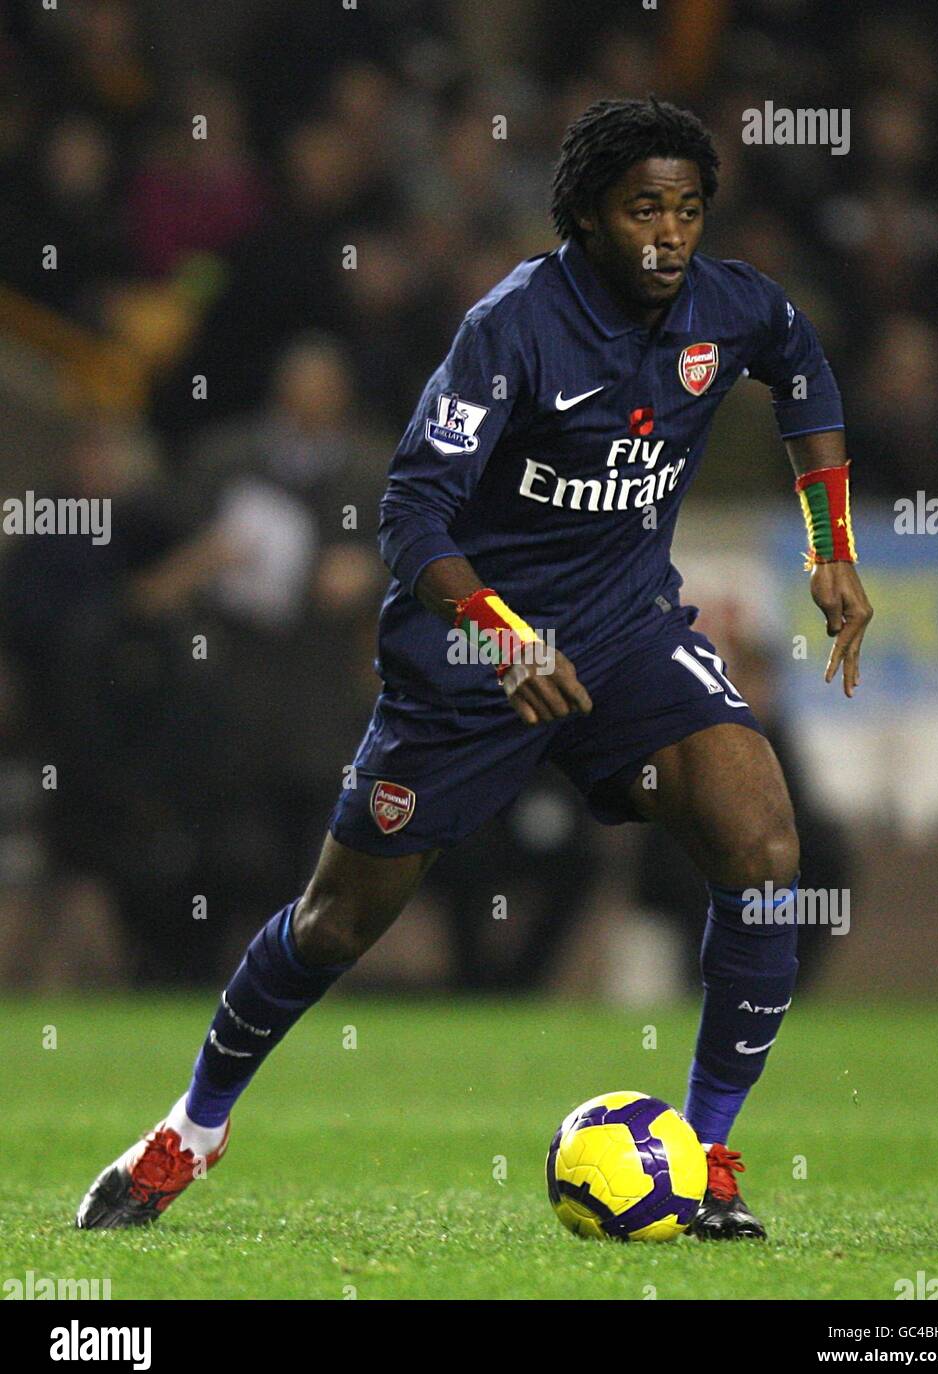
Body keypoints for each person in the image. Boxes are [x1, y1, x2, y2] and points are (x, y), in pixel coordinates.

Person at [77, 97, 873, 1240]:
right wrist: (502, 633)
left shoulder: (729, 308)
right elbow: (411, 510)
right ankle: (191, 1126)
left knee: (764, 842)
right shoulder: (514, 326)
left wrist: (831, 547)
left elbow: (802, 368)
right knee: (336, 922)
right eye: (644, 208)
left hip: (627, 633)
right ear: (586, 218)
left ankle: (706, 1161)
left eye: (689, 210)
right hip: (467, 659)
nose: (670, 235)